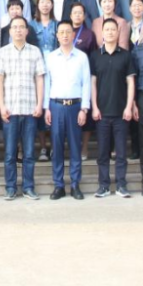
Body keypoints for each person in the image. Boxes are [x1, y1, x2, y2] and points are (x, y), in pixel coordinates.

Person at [0, 16, 45, 201]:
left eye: (21, 27)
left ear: (27, 31)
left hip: (30, 110)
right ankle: (10, 187)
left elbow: (39, 79)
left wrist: (39, 104)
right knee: (9, 154)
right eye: (14, 27)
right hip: (10, 110)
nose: (18, 30)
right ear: (10, 31)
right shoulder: (2, 53)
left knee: (29, 153)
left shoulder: (35, 51)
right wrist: (1, 106)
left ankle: (28, 187)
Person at [44, 20, 91, 201]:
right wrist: (46, 108)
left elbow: (86, 83)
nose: (65, 35)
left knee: (75, 146)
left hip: (75, 107)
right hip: (56, 106)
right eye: (61, 32)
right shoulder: (51, 57)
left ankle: (75, 184)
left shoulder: (82, 57)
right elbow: (47, 84)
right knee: (56, 147)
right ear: (57, 36)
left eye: (68, 32)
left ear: (73, 35)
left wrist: (84, 109)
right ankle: (58, 185)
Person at [90, 18, 136, 198]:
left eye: (113, 29)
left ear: (118, 32)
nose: (110, 32)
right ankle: (103, 185)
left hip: (121, 112)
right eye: (106, 29)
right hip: (102, 113)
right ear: (102, 33)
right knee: (103, 153)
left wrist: (129, 106)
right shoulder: (95, 56)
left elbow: (130, 82)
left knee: (121, 153)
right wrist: (94, 107)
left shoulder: (126, 55)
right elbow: (93, 83)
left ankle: (121, 185)